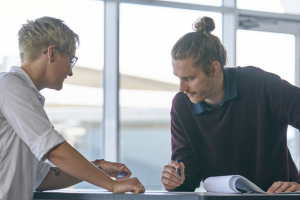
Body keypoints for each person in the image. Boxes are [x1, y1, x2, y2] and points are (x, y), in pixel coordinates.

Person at [0, 16, 144, 200]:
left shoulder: (19, 93)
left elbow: (42, 177)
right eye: (70, 60)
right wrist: (113, 185)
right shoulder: (10, 86)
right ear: (51, 53)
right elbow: (54, 150)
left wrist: (98, 168)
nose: (70, 71)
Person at [160, 16, 300, 193]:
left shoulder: (259, 84)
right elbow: (189, 174)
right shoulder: (182, 105)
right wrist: (175, 179)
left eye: (189, 78)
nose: (182, 87)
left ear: (214, 69)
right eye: (178, 78)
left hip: (279, 197)